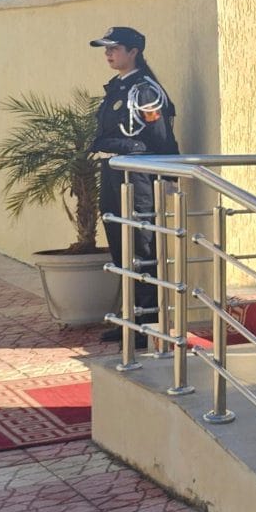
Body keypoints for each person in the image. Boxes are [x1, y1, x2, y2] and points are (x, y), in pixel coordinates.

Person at [87, 26, 179, 343]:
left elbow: (160, 137)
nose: (108, 54)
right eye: (106, 49)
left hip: (137, 176)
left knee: (141, 246)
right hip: (114, 171)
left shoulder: (144, 91)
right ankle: (130, 317)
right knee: (120, 246)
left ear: (133, 52)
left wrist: (170, 174)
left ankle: (147, 321)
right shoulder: (118, 87)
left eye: (114, 48)